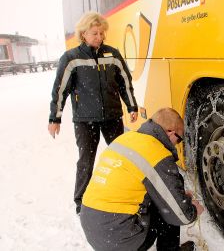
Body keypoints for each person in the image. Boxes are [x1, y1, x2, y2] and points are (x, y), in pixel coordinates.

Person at [48, 12, 138, 214]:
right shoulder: (71, 58)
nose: (100, 37)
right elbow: (60, 90)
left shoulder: (112, 54)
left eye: (102, 33)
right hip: (85, 120)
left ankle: (122, 192)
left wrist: (131, 106)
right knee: (86, 161)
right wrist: (55, 118)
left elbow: (125, 82)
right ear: (83, 34)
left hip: (112, 117)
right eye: (95, 33)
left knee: (120, 157)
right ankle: (81, 201)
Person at [80, 108, 204, 251]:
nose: (177, 144)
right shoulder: (157, 153)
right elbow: (181, 215)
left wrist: (177, 197)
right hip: (119, 239)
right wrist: (192, 209)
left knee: (162, 191)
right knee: (169, 201)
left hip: (93, 229)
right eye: (179, 138)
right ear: (170, 132)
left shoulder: (124, 138)